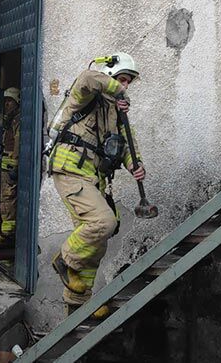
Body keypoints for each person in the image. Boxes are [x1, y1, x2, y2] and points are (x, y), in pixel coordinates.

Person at [47, 53, 145, 320]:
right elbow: (88, 77)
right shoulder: (86, 94)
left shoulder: (115, 111)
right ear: (110, 76)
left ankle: (78, 306)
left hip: (91, 177)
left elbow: (126, 142)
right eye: (121, 80)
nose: (125, 86)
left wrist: (135, 164)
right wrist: (117, 91)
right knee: (103, 222)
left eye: (128, 82)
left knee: (96, 242)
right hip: (70, 169)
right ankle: (64, 260)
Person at [0, 87, 22, 247]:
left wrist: (15, 163)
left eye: (10, 101)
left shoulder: (18, 120)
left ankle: (8, 235)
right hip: (6, 164)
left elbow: (18, 143)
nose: (7, 104)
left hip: (11, 165)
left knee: (7, 199)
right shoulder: (10, 119)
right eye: (5, 101)